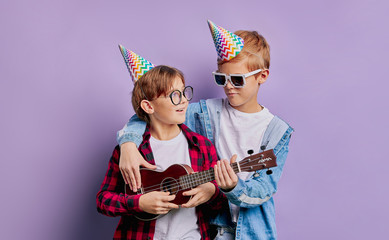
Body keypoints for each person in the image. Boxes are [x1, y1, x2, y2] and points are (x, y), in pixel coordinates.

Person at [116, 20, 294, 240]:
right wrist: (128, 144)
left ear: (262, 76)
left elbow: (264, 190)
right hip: (209, 228)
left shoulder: (278, 131)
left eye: (237, 80)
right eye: (221, 78)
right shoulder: (203, 113)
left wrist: (232, 188)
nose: (228, 86)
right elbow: (153, 114)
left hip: (253, 232)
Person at [96, 46, 226, 240]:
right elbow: (103, 201)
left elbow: (220, 205)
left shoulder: (202, 146)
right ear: (148, 106)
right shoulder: (130, 152)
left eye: (184, 92)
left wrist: (213, 191)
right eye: (174, 95)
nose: (183, 101)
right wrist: (138, 203)